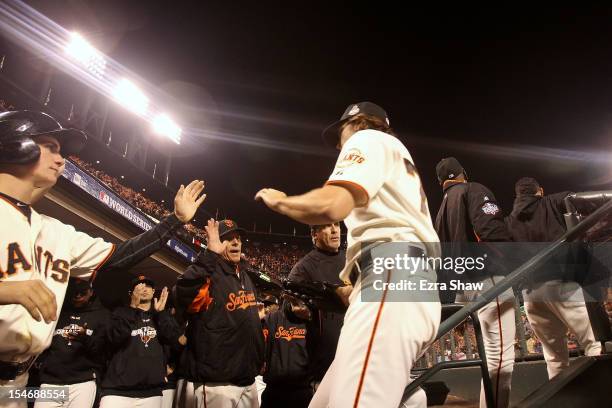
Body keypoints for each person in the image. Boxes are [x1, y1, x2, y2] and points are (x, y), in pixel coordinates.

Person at [0, 110, 206, 405]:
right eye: (52, 147)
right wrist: (6, 290)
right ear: (14, 144)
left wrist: (174, 221)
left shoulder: (55, 231)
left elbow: (120, 256)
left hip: (19, 381)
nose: (62, 160)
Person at [256, 101, 441, 407]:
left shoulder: (366, 138)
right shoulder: (395, 153)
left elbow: (334, 204)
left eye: (341, 132)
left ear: (357, 124)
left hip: (391, 279)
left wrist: (283, 202)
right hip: (400, 281)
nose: (340, 143)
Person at [434, 157, 516, 408]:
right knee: (500, 358)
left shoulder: (440, 210)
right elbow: (491, 231)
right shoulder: (474, 189)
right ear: (463, 173)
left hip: (464, 286)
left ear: (441, 182)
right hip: (488, 278)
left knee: (491, 357)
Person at [506, 177, 601, 379]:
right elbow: (582, 201)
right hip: (562, 284)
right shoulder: (552, 201)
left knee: (555, 358)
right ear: (539, 191)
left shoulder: (509, 220)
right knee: (596, 343)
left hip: (531, 293)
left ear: (518, 196)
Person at [174, 219, 265, 408]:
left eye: (238, 238)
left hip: (248, 379)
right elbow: (184, 294)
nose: (236, 242)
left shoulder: (245, 276)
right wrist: (209, 255)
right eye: (228, 238)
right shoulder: (209, 273)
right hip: (217, 384)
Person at [100, 276, 183, 408]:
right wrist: (132, 308)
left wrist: (161, 314)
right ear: (131, 293)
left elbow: (176, 342)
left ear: (154, 291)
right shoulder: (119, 313)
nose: (144, 289)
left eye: (148, 286)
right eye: (139, 286)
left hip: (151, 392)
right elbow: (114, 339)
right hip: (117, 391)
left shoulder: (160, 316)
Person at [34, 278, 109, 408]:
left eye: (82, 292)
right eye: (74, 293)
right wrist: (42, 364)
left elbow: (103, 351)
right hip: (51, 380)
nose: (78, 296)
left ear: (91, 292)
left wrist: (85, 338)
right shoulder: (57, 311)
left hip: (83, 381)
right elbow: (41, 339)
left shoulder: (103, 316)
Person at [287, 223, 345, 389]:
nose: (335, 230)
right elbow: (287, 305)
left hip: (356, 361)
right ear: (315, 234)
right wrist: (295, 310)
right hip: (325, 370)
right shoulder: (304, 267)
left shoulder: (351, 260)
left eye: (337, 225)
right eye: (327, 226)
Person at [261, 298, 311, 408]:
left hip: (302, 392)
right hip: (274, 391)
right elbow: (261, 352)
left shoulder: (312, 319)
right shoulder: (272, 318)